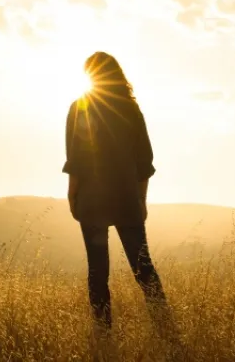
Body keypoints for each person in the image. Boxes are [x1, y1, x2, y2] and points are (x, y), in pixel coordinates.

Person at [62, 51, 175, 337]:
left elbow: (77, 157)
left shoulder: (80, 107)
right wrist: (141, 201)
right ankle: (166, 330)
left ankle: (104, 333)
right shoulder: (131, 110)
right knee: (144, 268)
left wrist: (72, 196)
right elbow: (144, 162)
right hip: (126, 199)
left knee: (98, 272)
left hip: (92, 200)